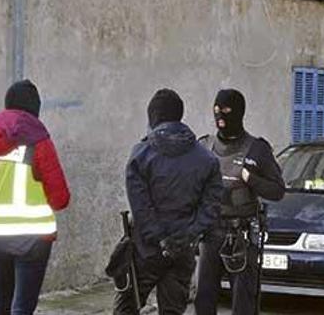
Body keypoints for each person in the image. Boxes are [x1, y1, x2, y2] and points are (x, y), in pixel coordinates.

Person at [114, 89, 223, 315]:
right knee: (173, 310)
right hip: (182, 250)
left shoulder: (141, 154)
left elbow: (140, 207)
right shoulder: (207, 159)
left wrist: (161, 240)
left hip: (146, 250)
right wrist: (186, 236)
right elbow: (210, 208)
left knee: (126, 309)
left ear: (153, 116)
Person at [0, 80, 71, 315]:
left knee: (1, 305)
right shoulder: (39, 142)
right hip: (32, 240)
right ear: (34, 109)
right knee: (22, 308)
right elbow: (60, 198)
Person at [195, 89, 286, 315]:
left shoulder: (257, 148)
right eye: (216, 111)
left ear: (239, 113)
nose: (220, 117)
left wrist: (250, 178)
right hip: (210, 233)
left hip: (242, 234)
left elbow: (277, 191)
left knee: (243, 301)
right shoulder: (205, 146)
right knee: (203, 297)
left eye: (226, 111)